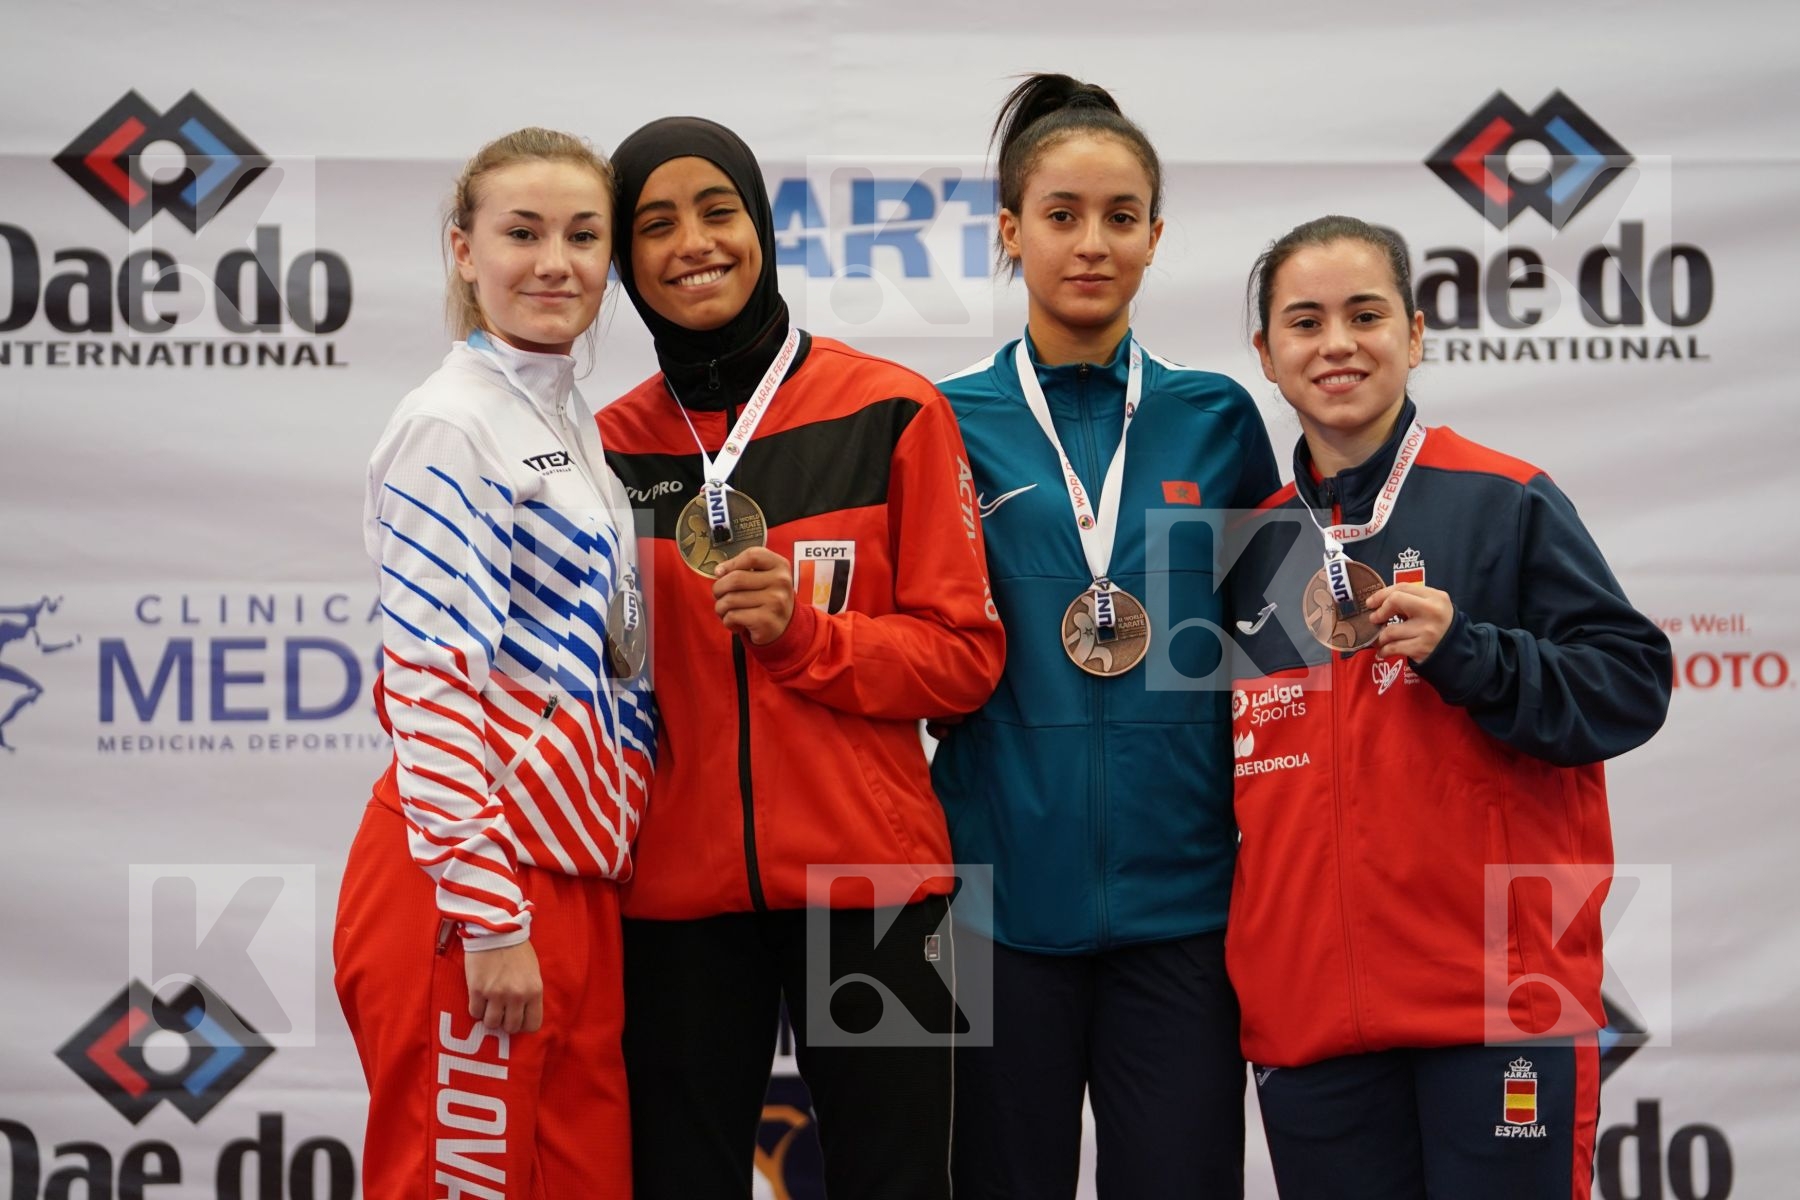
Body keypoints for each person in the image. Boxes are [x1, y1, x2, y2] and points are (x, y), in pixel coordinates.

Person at [595, 116, 1006, 1200]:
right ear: (625, 263)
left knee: (901, 1182)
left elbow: (964, 660)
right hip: (673, 903)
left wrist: (807, 638)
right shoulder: (602, 448)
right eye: (656, 224)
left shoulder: (890, 409)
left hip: (873, 882)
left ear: (763, 229)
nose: (695, 243)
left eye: (719, 210)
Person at [1227, 214, 1672, 1199]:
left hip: (1497, 1011)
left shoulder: (1504, 499)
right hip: (1313, 1022)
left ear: (1417, 334)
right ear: (1265, 352)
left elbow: (1632, 685)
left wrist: (1470, 652)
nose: (1336, 343)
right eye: (1304, 321)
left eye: (1365, 314)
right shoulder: (1245, 548)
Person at [931, 73, 1279, 1198]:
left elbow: (1271, 662)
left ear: (1156, 237)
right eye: (1062, 215)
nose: (1092, 244)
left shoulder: (1219, 417)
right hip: (988, 912)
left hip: (1182, 912)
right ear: (1009, 232)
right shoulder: (939, 422)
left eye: (1121, 218)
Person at [333, 127, 655, 1200]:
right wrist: (488, 912)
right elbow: (429, 682)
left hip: (570, 888)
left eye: (582, 235)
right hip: (477, 891)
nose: (554, 262)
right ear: (463, 250)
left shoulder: (563, 424)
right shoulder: (451, 425)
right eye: (522, 233)